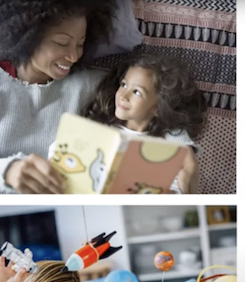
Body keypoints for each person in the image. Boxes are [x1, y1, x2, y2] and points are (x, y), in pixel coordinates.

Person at [0, 0, 116, 194]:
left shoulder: (91, 85)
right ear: (28, 36)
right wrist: (8, 172)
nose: (74, 56)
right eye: (62, 43)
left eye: (80, 44)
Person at [81, 53, 207, 194]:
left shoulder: (165, 146)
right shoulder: (100, 130)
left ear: (158, 108)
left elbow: (177, 185)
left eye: (136, 92)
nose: (123, 95)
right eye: (123, 85)